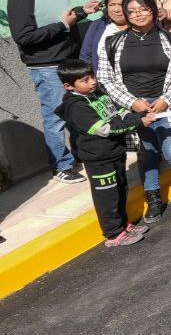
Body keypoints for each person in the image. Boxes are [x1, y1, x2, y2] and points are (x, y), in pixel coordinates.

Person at [96, 0, 171, 221]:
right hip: (133, 108)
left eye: (143, 9)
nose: (138, 15)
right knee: (146, 154)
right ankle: (153, 200)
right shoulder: (112, 43)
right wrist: (132, 103)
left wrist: (167, 99)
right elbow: (105, 79)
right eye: (132, 11)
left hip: (166, 105)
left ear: (153, 11)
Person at [55, 59, 152, 246]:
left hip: (115, 152)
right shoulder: (76, 107)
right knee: (107, 197)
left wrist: (138, 115)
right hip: (99, 159)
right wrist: (138, 123)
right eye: (85, 80)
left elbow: (118, 113)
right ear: (68, 86)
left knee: (120, 190)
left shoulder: (98, 94)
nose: (92, 82)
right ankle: (113, 233)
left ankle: (123, 224)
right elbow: (106, 129)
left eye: (92, 77)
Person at [80, 0, 130, 74]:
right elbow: (86, 56)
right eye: (112, 5)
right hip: (101, 80)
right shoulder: (97, 25)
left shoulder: (139, 25)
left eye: (121, 5)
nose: (116, 9)